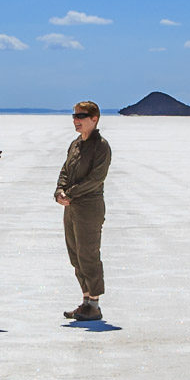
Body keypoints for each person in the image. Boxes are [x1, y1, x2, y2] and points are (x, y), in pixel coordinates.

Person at [54, 100, 112, 321]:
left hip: (89, 205)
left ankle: (94, 305)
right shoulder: (76, 144)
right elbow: (65, 170)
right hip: (72, 206)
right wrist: (59, 190)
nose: (75, 120)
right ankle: (85, 301)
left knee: (88, 254)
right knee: (75, 254)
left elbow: (96, 178)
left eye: (80, 116)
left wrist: (71, 193)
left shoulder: (101, 146)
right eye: (74, 116)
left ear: (94, 119)